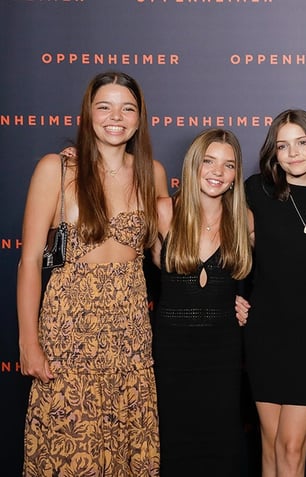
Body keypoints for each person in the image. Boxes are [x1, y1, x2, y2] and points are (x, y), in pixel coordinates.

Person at [17, 71, 168, 475]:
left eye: (127, 108)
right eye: (104, 106)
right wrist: (28, 342)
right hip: (69, 330)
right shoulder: (57, 169)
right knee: (69, 444)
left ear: (139, 118)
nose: (115, 116)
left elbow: (167, 253)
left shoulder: (151, 172)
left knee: (125, 444)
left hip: (130, 328)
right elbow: (30, 260)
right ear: (88, 114)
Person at [244, 109, 306, 477]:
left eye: (302, 142)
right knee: (270, 445)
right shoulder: (254, 191)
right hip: (265, 330)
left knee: (291, 445)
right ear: (274, 153)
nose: (293, 153)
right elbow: (202, 219)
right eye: (283, 146)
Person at [151, 128, 253, 476]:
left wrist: (247, 301)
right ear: (193, 165)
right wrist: (77, 163)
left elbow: (281, 274)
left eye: (228, 165)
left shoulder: (245, 220)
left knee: (220, 446)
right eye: (208, 161)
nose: (217, 172)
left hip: (222, 353)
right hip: (171, 352)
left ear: (236, 174)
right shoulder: (164, 212)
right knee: (172, 445)